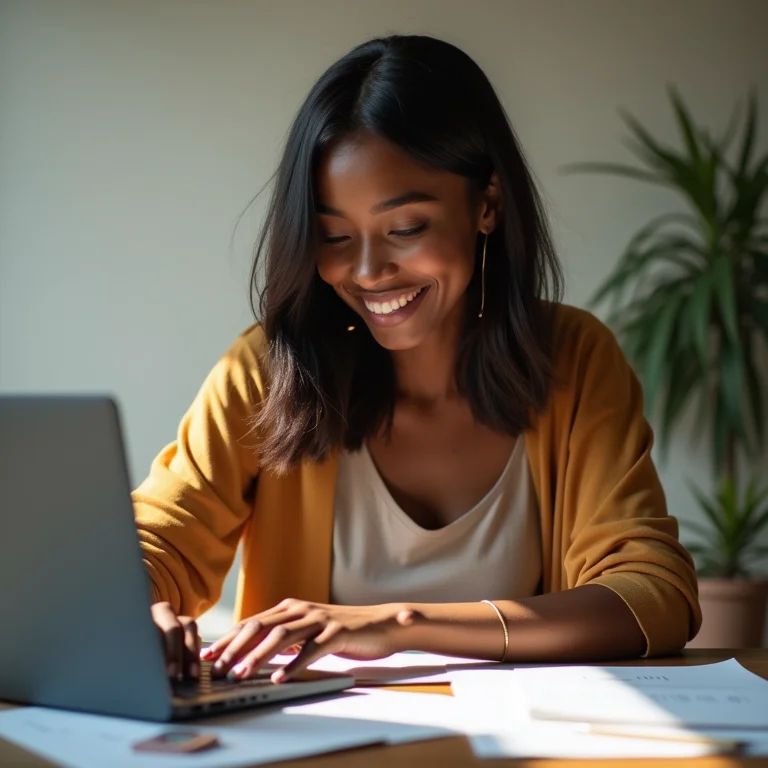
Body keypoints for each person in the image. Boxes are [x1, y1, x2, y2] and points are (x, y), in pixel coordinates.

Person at [133, 34, 700, 684]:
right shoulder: (268, 371)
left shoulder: (574, 360)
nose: (369, 271)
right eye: (334, 237)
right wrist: (136, 607)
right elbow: (159, 540)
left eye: (405, 229)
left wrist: (401, 624)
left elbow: (654, 597)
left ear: (487, 205)